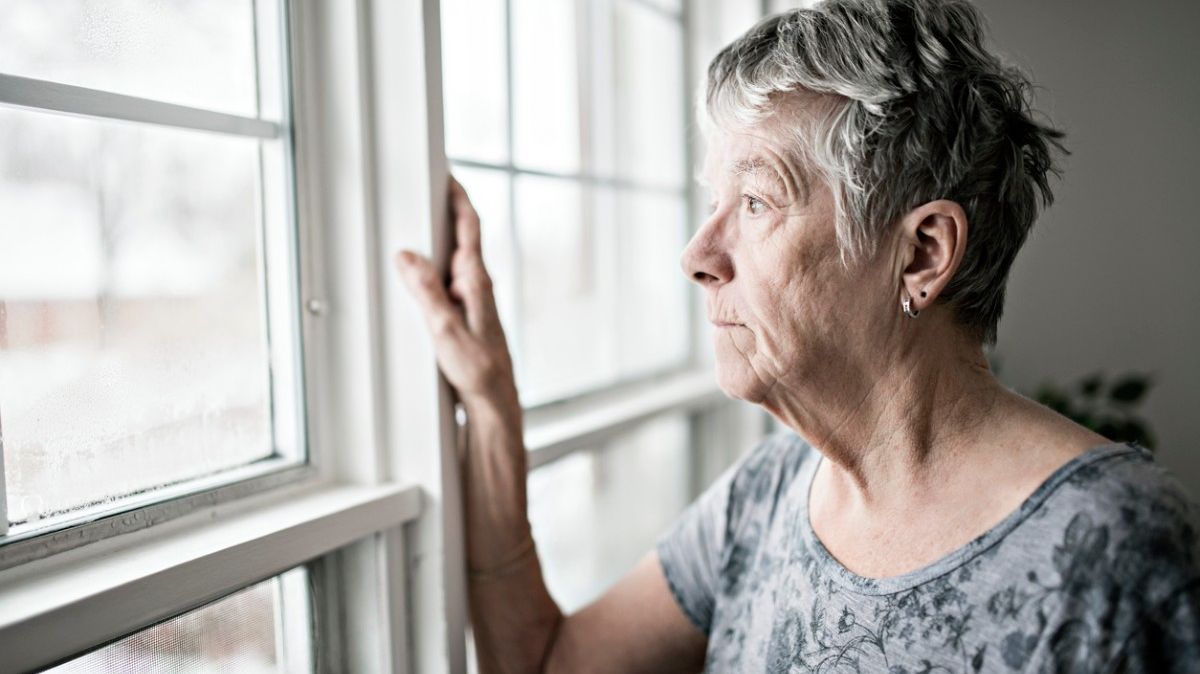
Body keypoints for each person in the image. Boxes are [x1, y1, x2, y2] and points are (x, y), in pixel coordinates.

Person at [395, 0, 1200, 671]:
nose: (697, 256)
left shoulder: (1111, 547)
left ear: (921, 254)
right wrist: (493, 411)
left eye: (755, 202)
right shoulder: (770, 491)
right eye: (714, 202)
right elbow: (546, 665)